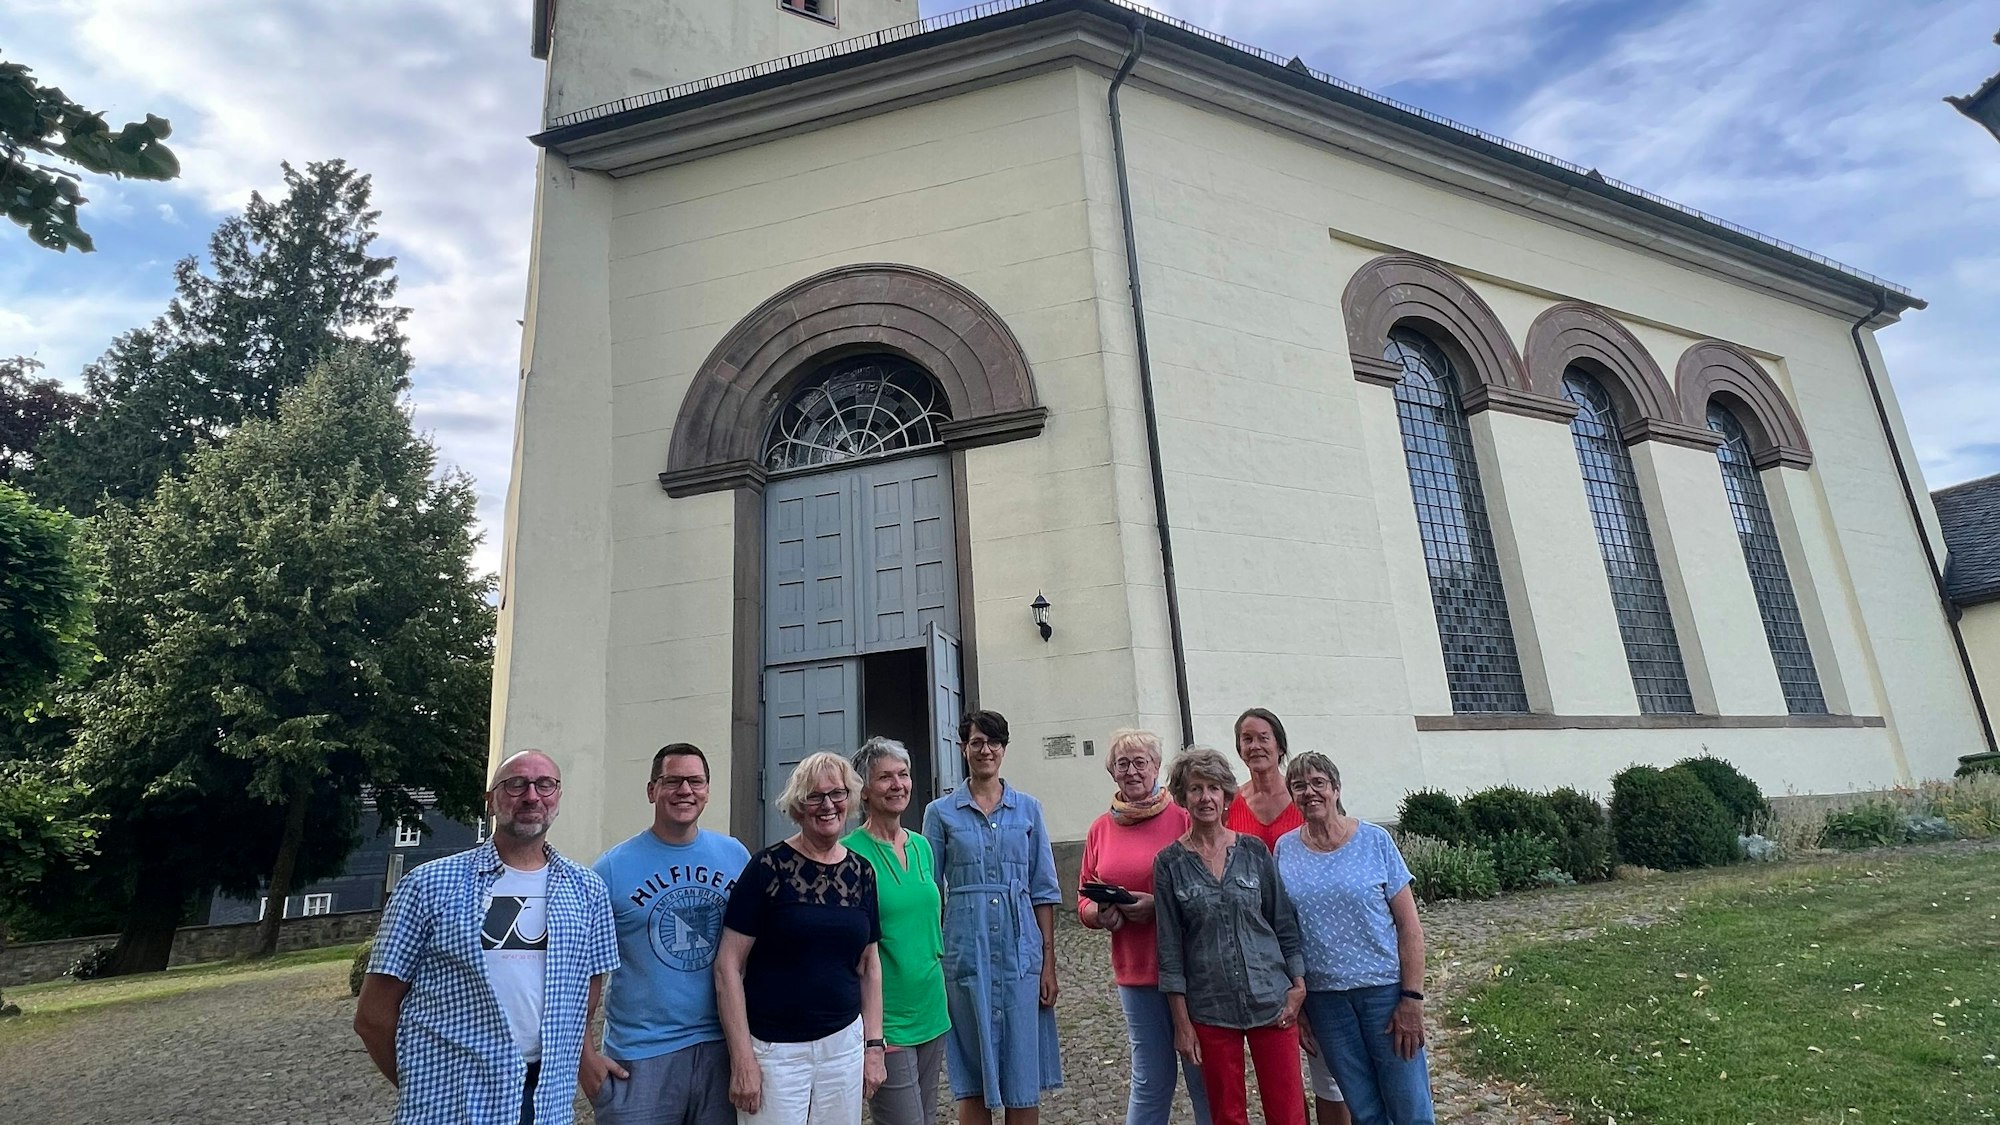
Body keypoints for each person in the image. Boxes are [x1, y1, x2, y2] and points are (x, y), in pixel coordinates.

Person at [354, 750, 619, 1125]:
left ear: (558, 796)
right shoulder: (428, 886)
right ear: (491, 800)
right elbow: (373, 1016)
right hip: (453, 1106)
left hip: (546, 1102)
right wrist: (424, 1088)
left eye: (545, 785)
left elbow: (586, 994)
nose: (531, 796)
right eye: (516, 784)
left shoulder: (587, 889)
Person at [715, 752, 888, 1124]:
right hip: (775, 1052)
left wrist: (873, 1046)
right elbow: (728, 966)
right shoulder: (767, 868)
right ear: (798, 805)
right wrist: (742, 1059)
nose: (828, 805)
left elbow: (870, 965)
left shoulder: (862, 873)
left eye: (837, 794)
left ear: (850, 800)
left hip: (842, 1047)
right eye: (815, 796)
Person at [585, 743, 751, 1125]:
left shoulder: (735, 856)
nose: (685, 791)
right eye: (672, 781)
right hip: (641, 1054)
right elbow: (578, 968)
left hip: (721, 1047)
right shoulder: (611, 869)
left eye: (695, 781)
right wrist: (585, 1060)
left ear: (707, 790)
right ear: (651, 790)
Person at [1275, 753, 1435, 1125]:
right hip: (1325, 1002)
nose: (1310, 792)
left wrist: (1412, 999)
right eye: (1299, 786)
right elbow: (1285, 932)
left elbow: (1409, 927)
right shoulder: (1284, 849)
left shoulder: (1374, 840)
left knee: (1410, 1106)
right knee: (1363, 1110)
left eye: (1318, 783)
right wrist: (1299, 1004)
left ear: (1335, 788)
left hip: (1384, 995)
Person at [922, 709, 1063, 1124]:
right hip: (966, 948)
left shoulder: (1029, 809)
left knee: (1022, 1069)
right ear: (963, 748)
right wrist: (933, 955)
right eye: (977, 742)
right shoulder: (940, 813)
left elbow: (1043, 889)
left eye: (994, 742)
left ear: (1004, 748)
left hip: (1021, 950)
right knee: (973, 1068)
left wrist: (1048, 963)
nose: (986, 750)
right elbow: (930, 891)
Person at [1153, 746, 1307, 1125]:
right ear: (1183, 797)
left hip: (1272, 999)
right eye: (1195, 789)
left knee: (1288, 1112)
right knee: (1226, 1115)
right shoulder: (1169, 863)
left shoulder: (1254, 851)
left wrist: (1298, 985)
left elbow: (1283, 922)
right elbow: (1169, 948)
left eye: (1213, 788)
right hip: (1211, 1007)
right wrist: (1182, 1023)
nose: (1205, 797)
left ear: (1226, 796)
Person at [1076, 729, 1211, 1125]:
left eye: (1140, 763)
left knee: (1204, 1074)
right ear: (1111, 771)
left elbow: (1209, 890)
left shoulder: (1183, 819)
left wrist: (1159, 907)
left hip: (1193, 969)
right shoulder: (1100, 828)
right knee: (1151, 1079)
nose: (1132, 771)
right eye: (1123, 764)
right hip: (1135, 970)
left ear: (1156, 767)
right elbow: (1083, 897)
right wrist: (1098, 914)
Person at [1230, 708, 1349, 1125]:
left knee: (1329, 1059)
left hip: (1312, 934)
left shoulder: (1304, 795)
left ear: (1280, 744)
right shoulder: (1230, 802)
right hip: (1257, 943)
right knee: (1280, 1055)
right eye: (1246, 739)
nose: (1255, 746)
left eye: (1263, 737)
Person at [845, 737, 951, 1125]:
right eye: (885, 777)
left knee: (926, 1117)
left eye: (903, 775)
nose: (897, 785)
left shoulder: (922, 846)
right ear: (864, 790)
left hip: (931, 1009)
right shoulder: (850, 854)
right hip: (887, 1017)